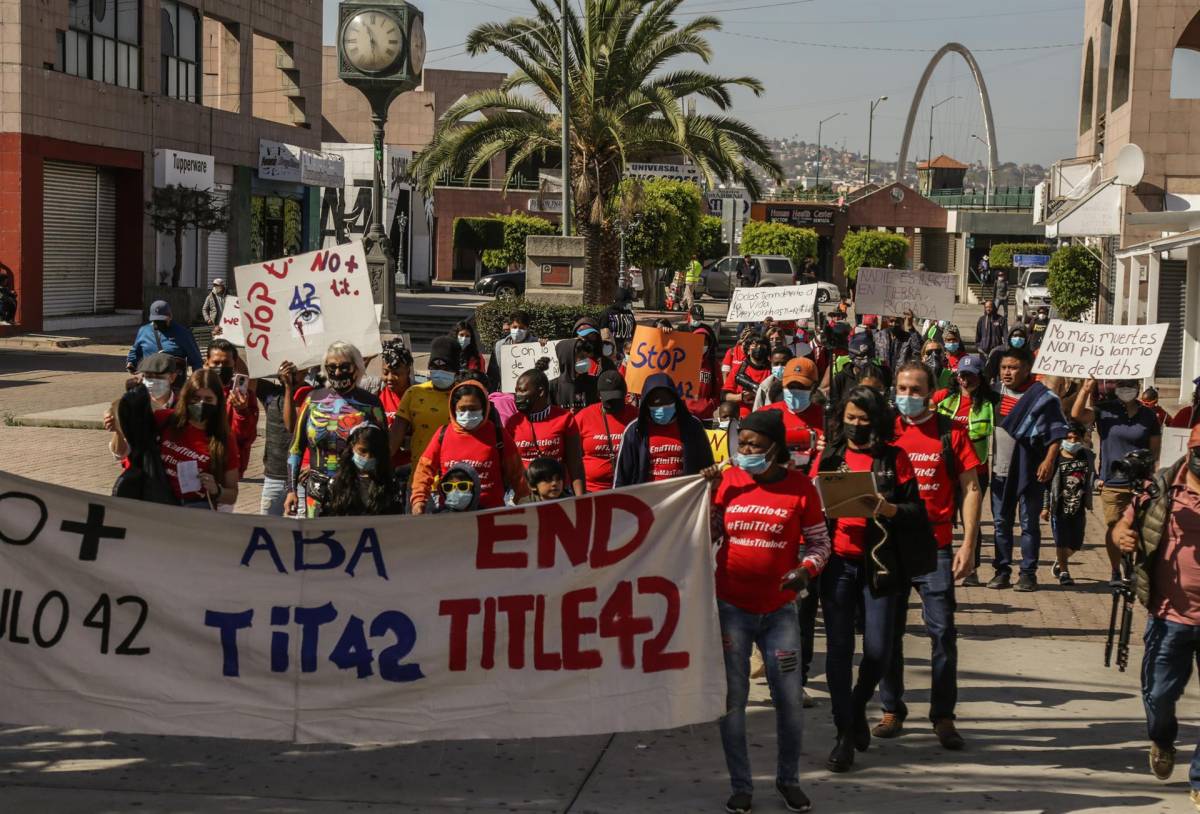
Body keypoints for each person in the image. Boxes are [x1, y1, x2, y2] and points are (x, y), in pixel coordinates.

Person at [703, 409, 829, 814]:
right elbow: (709, 533)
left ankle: (788, 781)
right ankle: (741, 786)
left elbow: (820, 544)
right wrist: (706, 495)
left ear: (775, 449)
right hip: (732, 610)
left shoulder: (801, 489)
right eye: (741, 444)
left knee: (790, 700)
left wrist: (805, 571)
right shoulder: (729, 482)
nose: (744, 453)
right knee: (733, 702)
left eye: (754, 446)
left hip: (779, 613)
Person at [817, 385, 929, 773]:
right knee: (838, 651)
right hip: (838, 565)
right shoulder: (830, 456)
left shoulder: (892, 459)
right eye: (849, 419)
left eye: (863, 420)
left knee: (880, 650)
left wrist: (889, 508)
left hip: (880, 566)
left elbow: (917, 510)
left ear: (876, 421)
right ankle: (844, 732)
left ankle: (856, 709)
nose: (855, 426)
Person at [877, 362, 983, 750]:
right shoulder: (885, 431)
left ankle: (943, 715)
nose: (907, 395)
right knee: (888, 633)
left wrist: (969, 544)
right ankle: (891, 708)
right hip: (888, 546)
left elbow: (971, 488)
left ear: (930, 392)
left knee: (942, 632)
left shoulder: (950, 433)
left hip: (934, 548)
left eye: (915, 389)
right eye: (902, 387)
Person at [1113, 423, 1200, 811]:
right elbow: (1121, 528)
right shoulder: (1159, 489)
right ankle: (1163, 738)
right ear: (1191, 448)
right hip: (1169, 617)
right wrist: (1121, 538)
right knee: (1159, 696)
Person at [987, 346, 1069, 591]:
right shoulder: (994, 393)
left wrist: (1049, 460)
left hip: (1030, 469)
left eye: (1013, 367)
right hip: (1000, 469)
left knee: (1028, 523)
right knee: (1001, 523)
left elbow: (1057, 432)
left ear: (1027, 369)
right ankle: (1001, 571)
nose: (1007, 372)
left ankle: (1028, 573)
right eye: (1003, 367)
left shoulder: (1043, 397)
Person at [1072, 378, 1162, 585]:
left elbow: (1154, 451)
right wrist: (1084, 390)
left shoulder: (1148, 416)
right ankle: (1115, 570)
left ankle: (1132, 566)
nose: (1127, 390)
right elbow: (1077, 415)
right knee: (1114, 527)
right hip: (1113, 482)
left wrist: (1150, 476)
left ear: (1138, 389)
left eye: (1131, 386)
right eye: (1122, 386)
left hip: (1140, 484)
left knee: (1138, 529)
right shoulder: (1105, 411)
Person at [286, 342, 387, 518]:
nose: (338, 373)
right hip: (316, 491)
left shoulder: (371, 404)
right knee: (316, 541)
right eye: (332, 367)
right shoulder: (312, 399)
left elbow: (382, 450)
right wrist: (291, 489)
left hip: (356, 490)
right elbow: (296, 446)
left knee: (352, 540)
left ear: (356, 368)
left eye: (344, 367)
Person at [411, 380, 530, 513]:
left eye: (473, 409)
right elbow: (424, 470)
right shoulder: (442, 435)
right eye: (462, 409)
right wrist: (419, 500)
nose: (467, 413)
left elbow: (517, 475)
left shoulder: (499, 435)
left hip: (491, 514)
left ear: (484, 408)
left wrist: (525, 503)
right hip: (452, 515)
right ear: (453, 408)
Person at [933, 354, 999, 587]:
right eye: (961, 375)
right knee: (942, 519)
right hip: (946, 470)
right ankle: (940, 566)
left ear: (980, 377)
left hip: (976, 470)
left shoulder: (991, 403)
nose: (965, 380)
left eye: (970, 375)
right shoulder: (944, 398)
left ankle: (971, 568)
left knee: (971, 521)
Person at [156, 368, 240, 509]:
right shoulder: (165, 419)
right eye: (195, 398)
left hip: (195, 510)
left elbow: (232, 495)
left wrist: (216, 490)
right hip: (158, 503)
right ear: (186, 398)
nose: (201, 404)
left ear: (218, 402)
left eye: (208, 399)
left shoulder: (224, 439)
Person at [614, 373, 714, 486]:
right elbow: (622, 477)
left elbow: (708, 467)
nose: (661, 407)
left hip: (684, 499)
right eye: (655, 403)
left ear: (675, 400)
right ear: (646, 404)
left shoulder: (693, 426)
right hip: (645, 500)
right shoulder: (635, 430)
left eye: (666, 402)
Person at [506, 369, 586, 494]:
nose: (518, 396)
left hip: (557, 494)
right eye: (516, 391)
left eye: (523, 391)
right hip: (522, 496)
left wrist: (581, 500)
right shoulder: (513, 422)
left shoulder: (565, 419)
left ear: (541, 392)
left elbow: (575, 465)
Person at [1041, 421, 1095, 586]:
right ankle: (1064, 572)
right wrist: (1045, 507)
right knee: (1061, 541)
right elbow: (1047, 486)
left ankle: (1060, 560)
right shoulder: (1056, 458)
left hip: (1078, 508)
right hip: (1059, 508)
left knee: (1076, 544)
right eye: (1068, 438)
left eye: (1075, 438)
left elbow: (1092, 475)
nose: (1071, 442)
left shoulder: (1086, 456)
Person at [391, 336, 458, 467]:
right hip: (420, 475)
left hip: (454, 479)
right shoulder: (414, 393)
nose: (439, 371)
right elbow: (396, 435)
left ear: (456, 370)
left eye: (446, 367)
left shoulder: (464, 395)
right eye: (434, 366)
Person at [321, 423, 405, 516]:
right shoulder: (335, 484)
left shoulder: (390, 485)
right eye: (362, 451)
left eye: (373, 452)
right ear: (352, 447)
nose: (367, 457)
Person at [255, 360, 305, 516]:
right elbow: (246, 373)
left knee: (303, 531)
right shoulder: (270, 392)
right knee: (268, 528)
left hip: (302, 478)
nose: (291, 371)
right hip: (274, 475)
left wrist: (290, 387)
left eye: (296, 368)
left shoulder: (313, 394)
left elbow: (292, 426)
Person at [576, 370, 638, 493]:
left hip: (628, 489)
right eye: (608, 400)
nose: (613, 403)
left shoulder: (637, 416)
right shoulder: (583, 417)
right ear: (599, 395)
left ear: (625, 394)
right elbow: (573, 457)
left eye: (617, 399)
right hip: (592, 490)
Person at [205, 339, 257, 479]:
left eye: (226, 363)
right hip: (201, 462)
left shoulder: (244, 396)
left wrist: (242, 411)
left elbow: (247, 437)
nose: (221, 367)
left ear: (234, 365)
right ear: (207, 363)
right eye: (216, 363)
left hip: (230, 466)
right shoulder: (197, 392)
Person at [126, 300, 203, 376]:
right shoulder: (144, 331)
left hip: (174, 383)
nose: (159, 322)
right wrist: (131, 363)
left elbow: (196, 361)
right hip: (149, 380)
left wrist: (196, 382)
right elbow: (134, 352)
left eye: (162, 320)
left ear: (170, 316)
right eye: (156, 320)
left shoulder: (183, 333)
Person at [554, 320, 616, 410]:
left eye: (591, 336)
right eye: (582, 337)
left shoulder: (606, 362)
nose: (587, 340)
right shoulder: (568, 361)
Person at [377, 338, 414, 472]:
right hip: (382, 468)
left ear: (408, 372)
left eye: (397, 374)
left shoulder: (418, 396)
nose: (390, 378)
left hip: (410, 468)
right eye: (385, 372)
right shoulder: (375, 391)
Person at [486, 310, 538, 391]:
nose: (517, 330)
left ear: (527, 328)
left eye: (521, 328)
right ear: (509, 327)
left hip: (529, 393)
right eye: (514, 327)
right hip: (506, 394)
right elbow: (493, 375)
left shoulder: (536, 344)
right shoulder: (500, 346)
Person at [724, 334, 773, 418]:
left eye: (762, 344)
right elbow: (725, 395)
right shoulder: (738, 370)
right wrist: (741, 397)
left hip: (766, 416)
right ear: (748, 350)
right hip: (743, 417)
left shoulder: (773, 370)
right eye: (754, 344)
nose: (759, 347)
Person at [684, 323, 722, 420]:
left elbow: (718, 391)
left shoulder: (714, 364)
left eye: (705, 342)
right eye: (698, 340)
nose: (702, 344)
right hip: (684, 415)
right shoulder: (682, 361)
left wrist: (710, 405)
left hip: (706, 416)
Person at [751, 346, 794, 411]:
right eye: (776, 364)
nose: (780, 367)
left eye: (784, 363)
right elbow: (757, 412)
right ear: (771, 363)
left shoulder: (799, 385)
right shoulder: (764, 387)